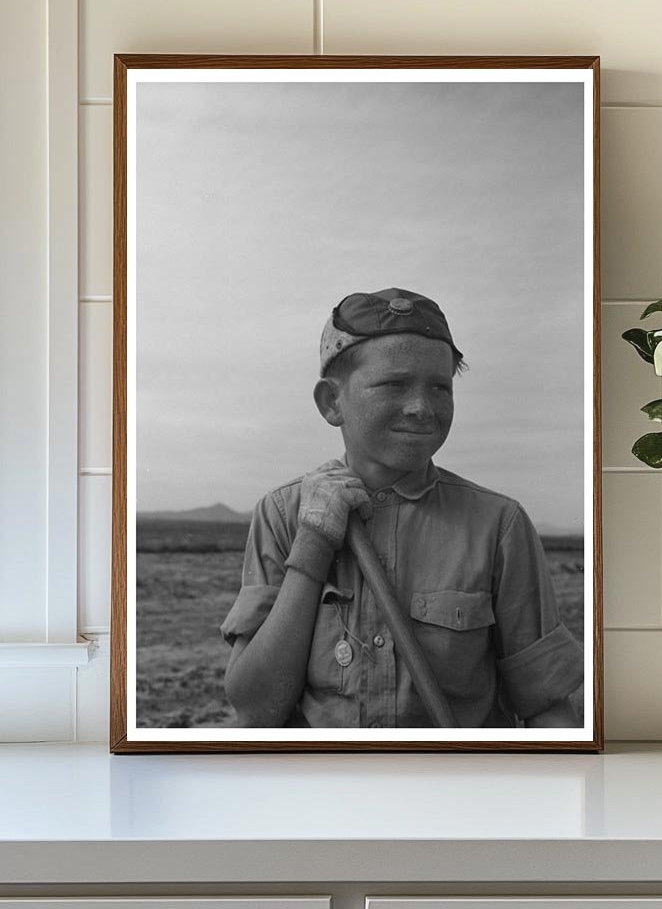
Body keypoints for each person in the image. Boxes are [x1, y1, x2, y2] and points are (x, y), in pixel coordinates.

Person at [220, 287, 584, 728]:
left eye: (440, 388)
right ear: (332, 402)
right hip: (323, 790)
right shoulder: (280, 514)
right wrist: (314, 541)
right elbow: (256, 708)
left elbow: (545, 706)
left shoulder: (499, 525)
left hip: (455, 790)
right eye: (394, 384)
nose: (422, 408)